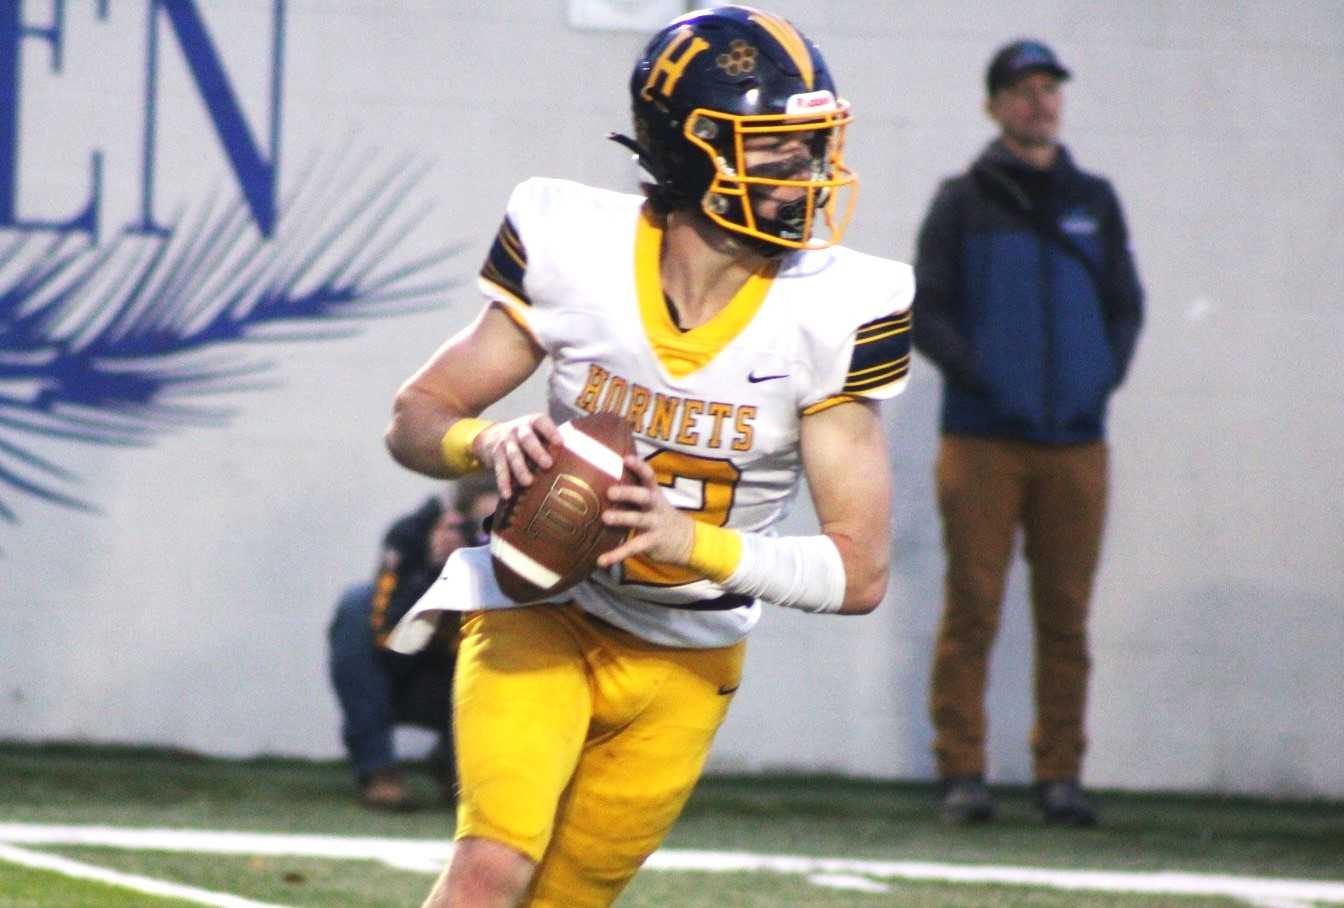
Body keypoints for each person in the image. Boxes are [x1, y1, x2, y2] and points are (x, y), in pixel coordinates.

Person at [381, 6, 913, 906]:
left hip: (688, 656)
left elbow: (859, 572)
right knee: (489, 869)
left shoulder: (838, 306)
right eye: (773, 147)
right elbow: (415, 418)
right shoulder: (577, 246)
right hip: (543, 608)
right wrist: (487, 440)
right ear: (686, 150)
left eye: (812, 144)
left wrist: (685, 541)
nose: (806, 172)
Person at [912, 38, 1144, 827]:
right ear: (994, 106)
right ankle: (962, 772)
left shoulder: (1095, 202)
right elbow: (927, 310)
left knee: (1066, 618)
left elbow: (1126, 307)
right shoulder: (961, 201)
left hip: (1077, 443)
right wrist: (987, 380)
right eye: (1023, 89)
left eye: (1049, 88)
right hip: (981, 439)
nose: (1039, 101)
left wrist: (1095, 379)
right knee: (972, 608)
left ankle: (1060, 777)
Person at [327, 476, 498, 810]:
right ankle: (377, 769)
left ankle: (462, 767)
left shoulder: (525, 552)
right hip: (404, 675)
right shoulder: (411, 536)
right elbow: (392, 642)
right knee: (356, 606)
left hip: (473, 682)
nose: (488, 538)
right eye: (480, 526)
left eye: (497, 526)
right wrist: (435, 573)